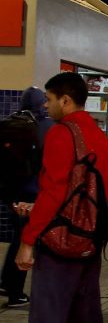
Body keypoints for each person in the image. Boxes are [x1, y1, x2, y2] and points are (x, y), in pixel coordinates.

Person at [3, 72, 108, 323]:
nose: (47, 107)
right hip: (89, 242)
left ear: (66, 100)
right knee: (87, 320)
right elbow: (94, 195)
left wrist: (28, 240)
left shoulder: (62, 134)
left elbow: (52, 193)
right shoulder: (98, 134)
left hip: (59, 244)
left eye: (50, 99)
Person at [0, 87, 54, 309]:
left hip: (11, 193)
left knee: (18, 236)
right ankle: (15, 292)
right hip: (33, 193)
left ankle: (7, 282)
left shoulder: (11, 124)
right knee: (27, 241)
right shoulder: (48, 127)